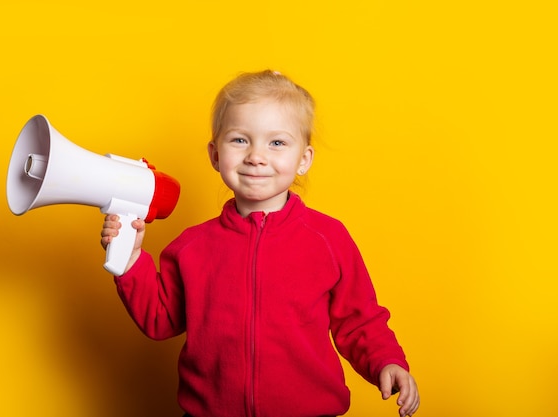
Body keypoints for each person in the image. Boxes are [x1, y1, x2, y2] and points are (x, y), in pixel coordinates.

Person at [100, 70, 420, 417]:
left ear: (304, 159)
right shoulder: (191, 246)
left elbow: (359, 320)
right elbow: (160, 319)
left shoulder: (328, 239)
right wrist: (132, 263)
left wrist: (387, 361)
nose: (256, 156)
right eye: (240, 140)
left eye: (277, 143)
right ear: (215, 154)